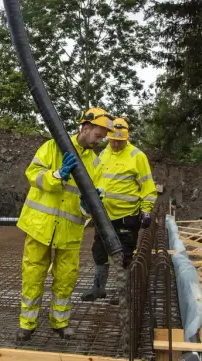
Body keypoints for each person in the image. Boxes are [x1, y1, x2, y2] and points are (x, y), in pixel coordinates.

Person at [16, 107, 112, 341]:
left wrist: (89, 205)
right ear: (85, 128)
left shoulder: (95, 163)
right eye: (98, 136)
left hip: (69, 231)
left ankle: (60, 322)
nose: (101, 141)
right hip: (40, 226)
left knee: (66, 278)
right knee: (33, 276)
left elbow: (93, 201)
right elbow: (33, 175)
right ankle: (27, 324)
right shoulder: (52, 147)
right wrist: (57, 175)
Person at [81, 117, 158, 302]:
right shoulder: (104, 154)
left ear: (126, 138)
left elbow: (148, 186)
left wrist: (146, 210)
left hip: (126, 216)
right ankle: (98, 289)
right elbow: (95, 180)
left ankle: (123, 293)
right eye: (112, 140)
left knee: (123, 256)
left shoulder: (136, 156)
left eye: (119, 141)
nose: (115, 144)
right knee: (99, 253)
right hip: (104, 216)